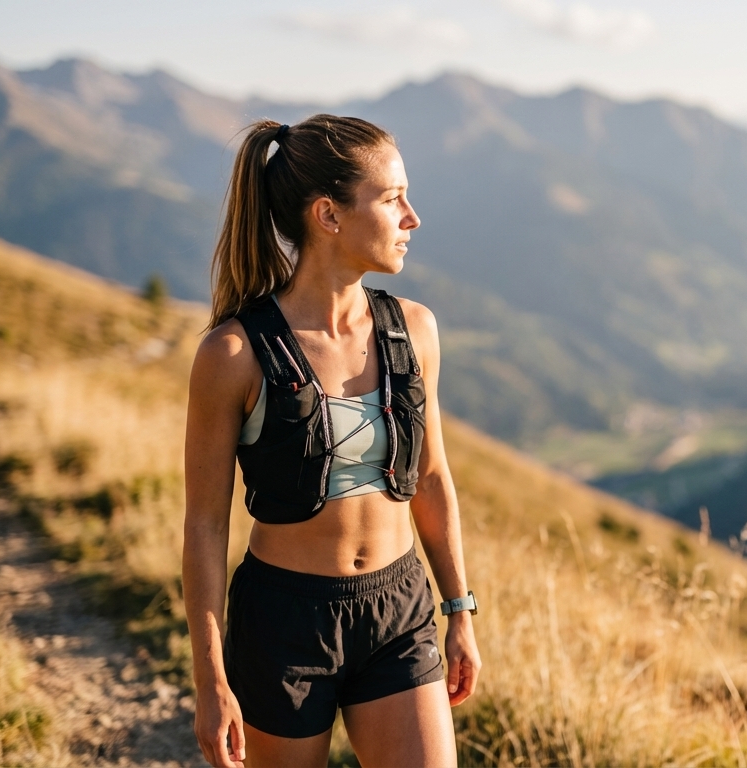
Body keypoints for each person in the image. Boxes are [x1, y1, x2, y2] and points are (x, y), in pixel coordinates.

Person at [182, 115, 480, 768]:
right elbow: (204, 525)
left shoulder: (415, 331)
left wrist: (459, 609)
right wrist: (210, 681)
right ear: (329, 215)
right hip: (283, 623)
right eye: (392, 197)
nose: (413, 217)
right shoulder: (234, 354)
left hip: (398, 611)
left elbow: (430, 477)